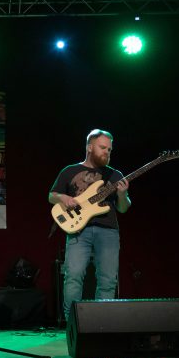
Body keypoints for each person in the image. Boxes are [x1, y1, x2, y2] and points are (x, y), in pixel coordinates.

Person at [49, 129, 131, 322]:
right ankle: (72, 324)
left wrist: (122, 195)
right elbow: (51, 196)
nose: (107, 152)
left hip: (108, 231)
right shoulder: (69, 171)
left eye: (109, 149)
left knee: (108, 279)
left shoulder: (115, 175)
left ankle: (102, 324)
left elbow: (123, 208)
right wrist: (64, 197)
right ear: (89, 147)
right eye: (103, 148)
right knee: (74, 276)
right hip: (78, 230)